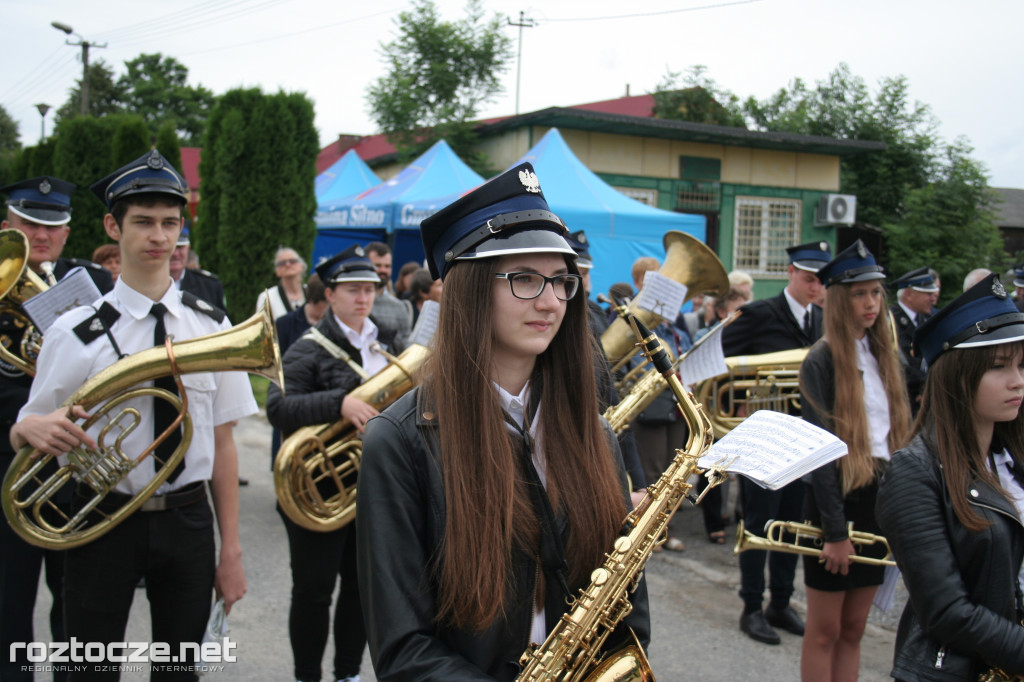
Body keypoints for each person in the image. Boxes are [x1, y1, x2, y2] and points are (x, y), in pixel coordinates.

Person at [356, 162, 650, 681]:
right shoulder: (397, 441)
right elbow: (403, 651)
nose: (550, 301)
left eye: (561, 280)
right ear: (468, 289)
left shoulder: (596, 433)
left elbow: (626, 610)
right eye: (524, 279)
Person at [10, 150, 254, 679]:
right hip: (100, 517)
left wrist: (230, 549)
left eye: (170, 223)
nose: (158, 237)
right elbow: (28, 427)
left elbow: (224, 442)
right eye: (143, 222)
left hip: (188, 520)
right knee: (88, 670)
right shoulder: (73, 331)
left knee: (180, 672)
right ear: (112, 226)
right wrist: (27, 427)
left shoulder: (213, 327)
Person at [877, 272, 1024, 680]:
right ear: (958, 375)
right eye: (999, 367)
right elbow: (946, 612)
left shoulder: (1010, 457)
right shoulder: (913, 471)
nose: (1018, 381)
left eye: (1021, 364)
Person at [1, 175, 113, 682]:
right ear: (8, 226)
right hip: (9, 461)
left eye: (54, 226)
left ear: (68, 232)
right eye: (29, 224)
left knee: (78, 603)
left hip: (77, 466)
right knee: (8, 600)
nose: (41, 236)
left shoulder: (93, 286)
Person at [266, 244, 393, 682]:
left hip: (371, 487)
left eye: (370, 289)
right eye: (354, 289)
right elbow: (278, 408)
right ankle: (307, 675)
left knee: (361, 591)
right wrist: (340, 403)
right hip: (317, 490)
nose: (363, 297)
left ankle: (347, 674)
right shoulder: (308, 347)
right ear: (332, 293)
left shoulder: (386, 343)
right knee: (314, 592)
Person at [798, 240, 911, 681]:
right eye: (861, 294)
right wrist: (835, 530)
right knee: (824, 630)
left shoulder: (887, 354)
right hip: (837, 500)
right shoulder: (821, 358)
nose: (871, 303)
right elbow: (819, 453)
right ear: (842, 300)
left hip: (879, 499)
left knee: (854, 627)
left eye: (877, 293)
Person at [721, 239, 831, 645]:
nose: (815, 286)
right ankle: (751, 606)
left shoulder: (823, 320)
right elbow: (720, 363)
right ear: (790, 274)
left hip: (804, 439)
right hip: (764, 437)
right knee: (759, 523)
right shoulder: (759, 314)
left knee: (793, 524)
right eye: (808, 278)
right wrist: (735, 406)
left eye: (821, 281)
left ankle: (780, 602)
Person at [890, 267, 939, 413]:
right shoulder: (891, 319)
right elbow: (899, 362)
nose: (933, 298)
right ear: (909, 294)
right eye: (928, 294)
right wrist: (923, 387)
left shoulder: (927, 318)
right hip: (905, 400)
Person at [365, 241, 412, 351]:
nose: (383, 270)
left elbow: (406, 345)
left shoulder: (399, 307)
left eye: (387, 266)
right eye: (377, 265)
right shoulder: (357, 303)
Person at [171, 226, 227, 312]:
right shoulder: (145, 286)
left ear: (188, 249)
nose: (175, 254)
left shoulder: (209, 286)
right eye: (171, 247)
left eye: (180, 247)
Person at [256, 246, 307, 320]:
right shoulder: (267, 297)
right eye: (282, 263)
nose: (288, 265)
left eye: (292, 261)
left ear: (301, 266)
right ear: (277, 271)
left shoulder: (311, 291)